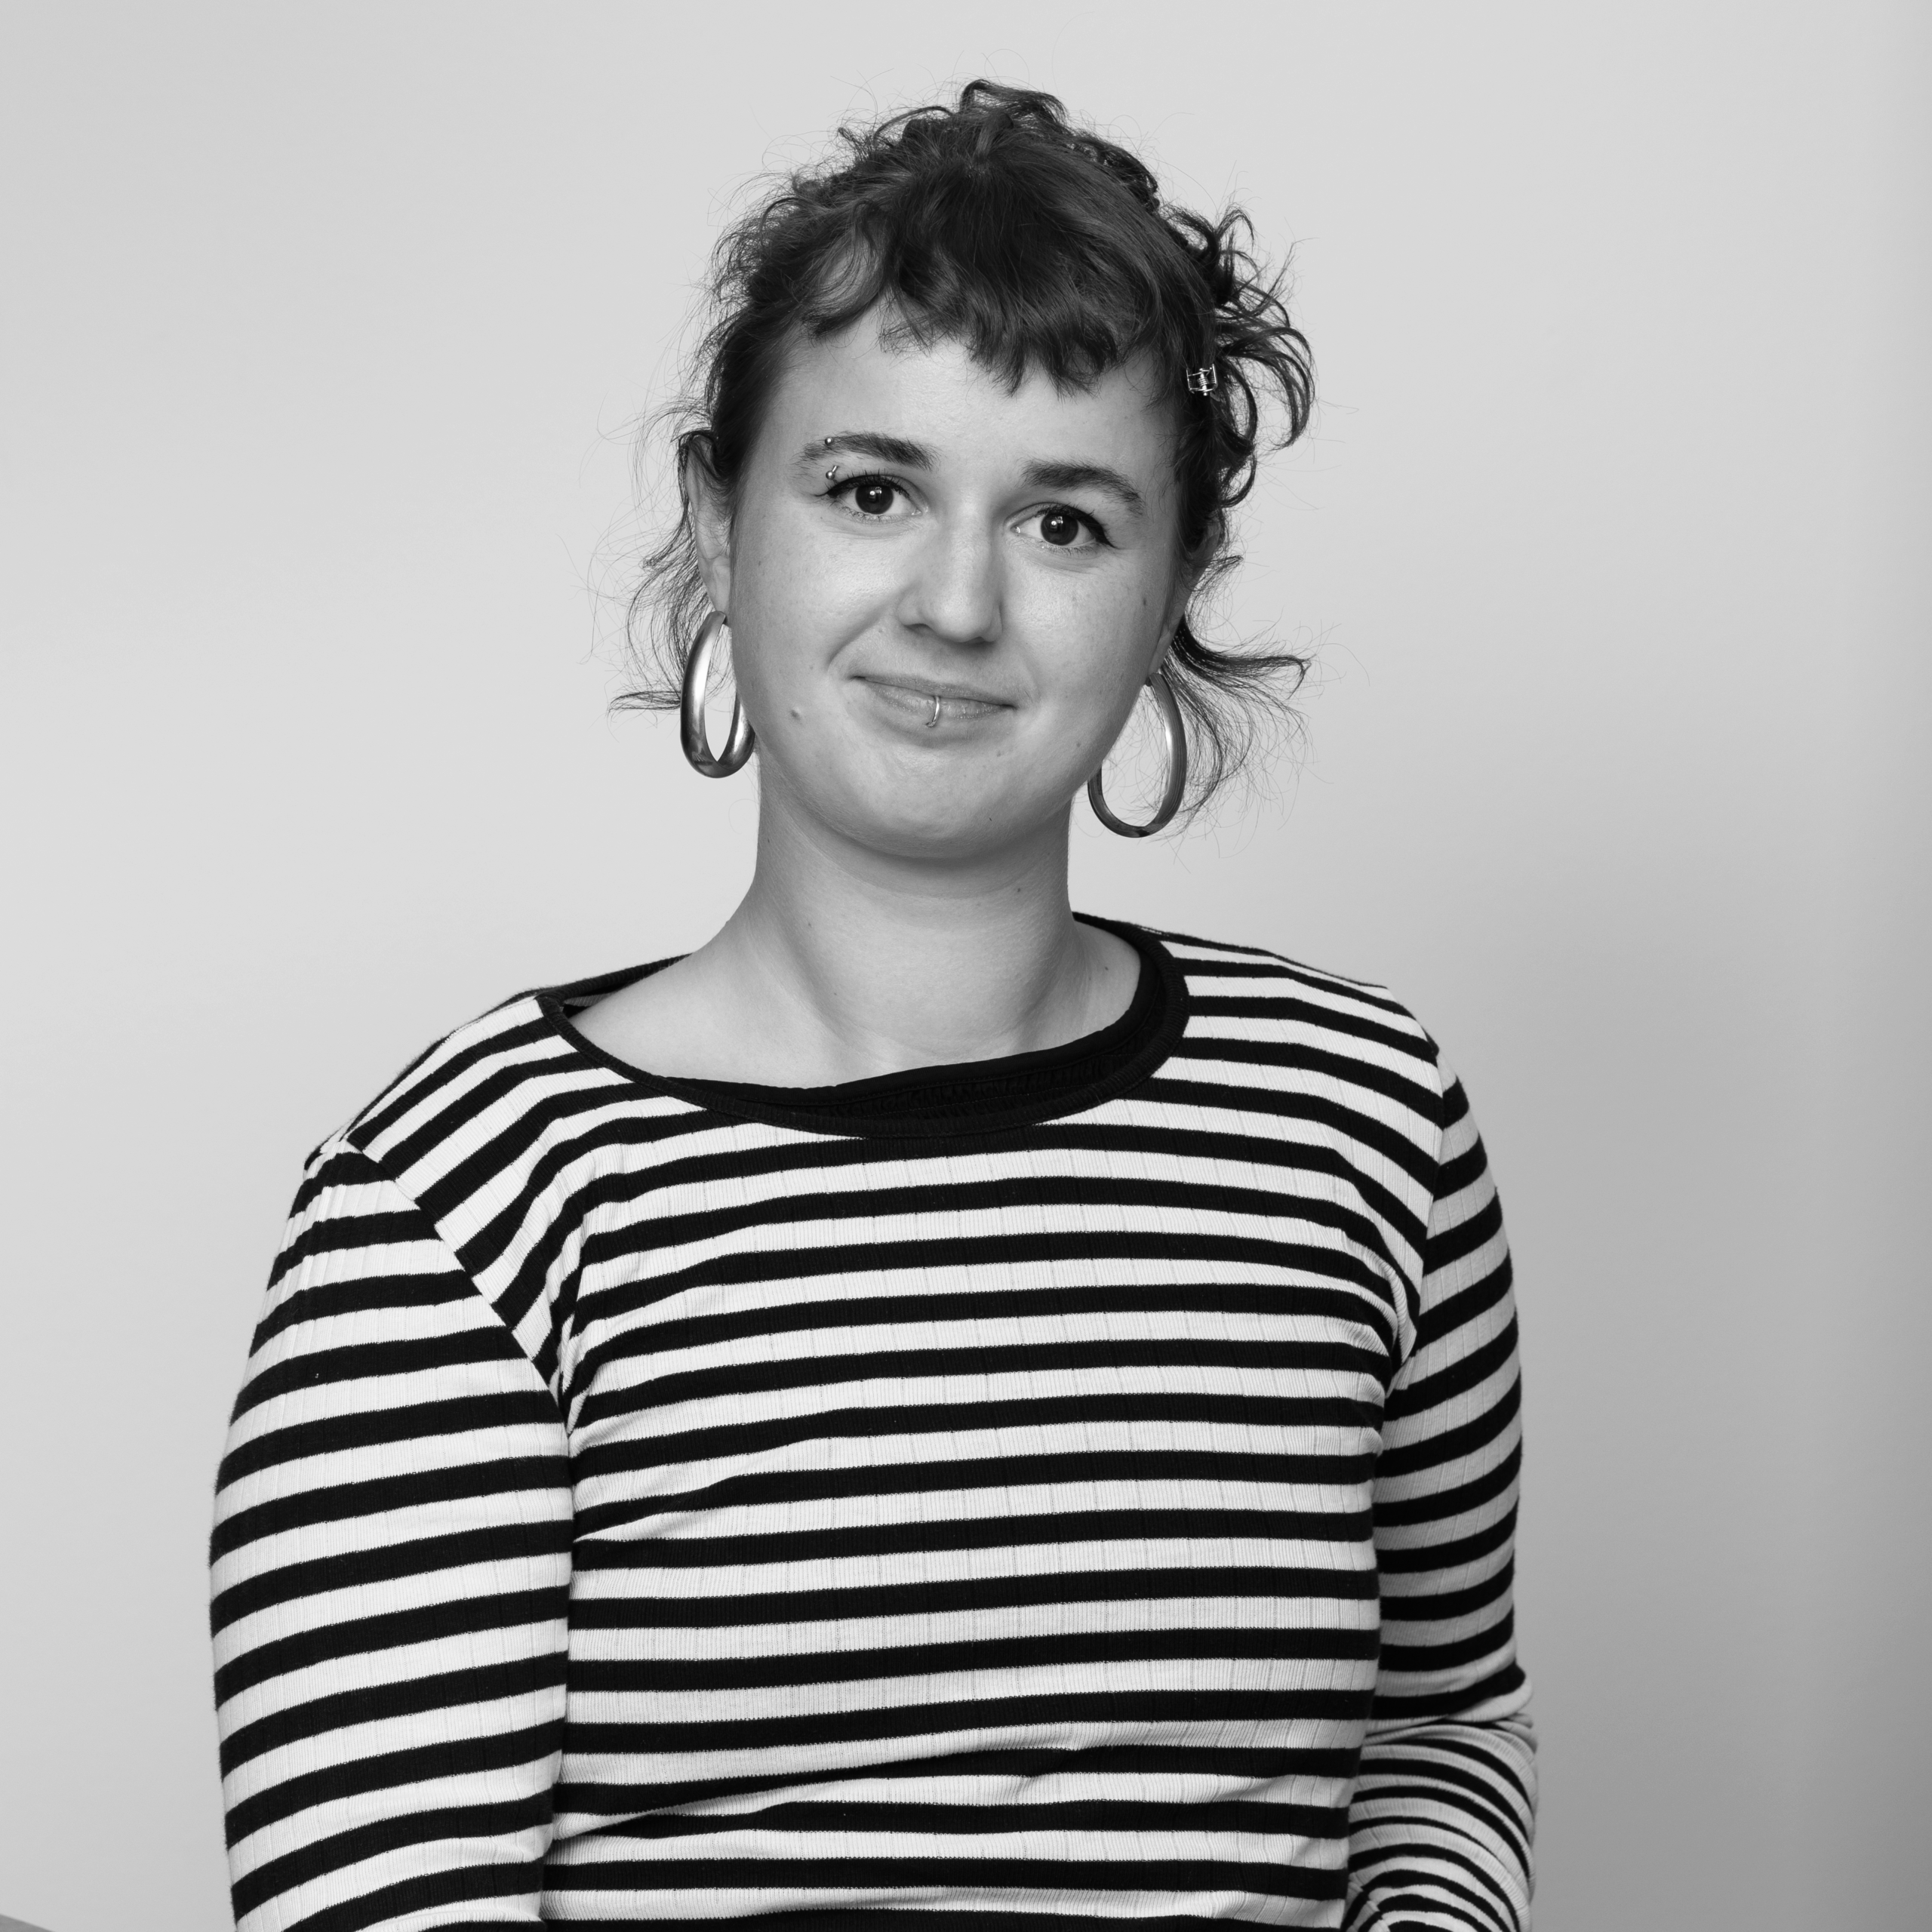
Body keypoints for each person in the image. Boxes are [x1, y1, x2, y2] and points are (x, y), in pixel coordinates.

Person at [210, 82, 1534, 1932]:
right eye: (869, 490)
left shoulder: (1363, 1118)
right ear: (716, 519)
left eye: (1063, 519)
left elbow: (1437, 1727)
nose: (956, 602)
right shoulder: (462, 1195)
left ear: (1175, 584)